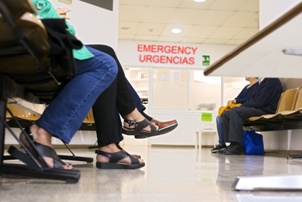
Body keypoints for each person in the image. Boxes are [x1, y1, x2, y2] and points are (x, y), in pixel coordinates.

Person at [221, 77, 283, 155]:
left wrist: (241, 106)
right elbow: (254, 100)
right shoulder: (263, 81)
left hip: (266, 110)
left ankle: (237, 145)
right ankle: (232, 144)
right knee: (227, 114)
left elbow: (260, 102)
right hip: (260, 108)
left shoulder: (271, 80)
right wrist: (242, 106)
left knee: (236, 111)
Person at [211, 77, 258, 153]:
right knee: (220, 117)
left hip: (245, 109)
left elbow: (248, 100)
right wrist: (234, 101)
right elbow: (238, 98)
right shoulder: (246, 87)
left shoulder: (257, 86)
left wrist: (236, 101)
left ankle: (234, 144)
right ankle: (223, 143)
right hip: (239, 108)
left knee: (229, 114)